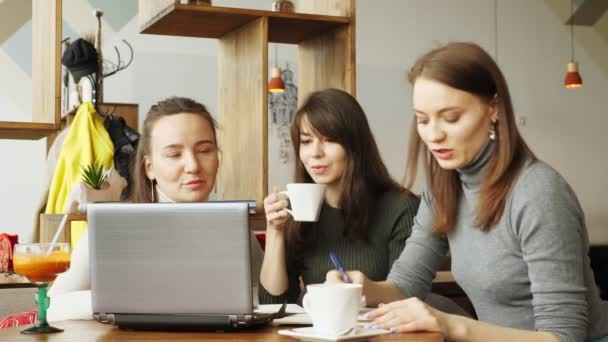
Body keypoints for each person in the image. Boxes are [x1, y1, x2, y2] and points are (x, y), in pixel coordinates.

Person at [326, 43, 608, 342]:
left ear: (494, 109)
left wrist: (450, 325)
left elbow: (565, 336)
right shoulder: (443, 189)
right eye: (423, 120)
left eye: (451, 118)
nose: (433, 135)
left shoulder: (538, 193)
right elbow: (406, 285)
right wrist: (362, 287)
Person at [47, 97, 263, 320]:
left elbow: (264, 303)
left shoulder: (235, 230)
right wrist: (144, 300)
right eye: (174, 155)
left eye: (204, 150)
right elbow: (53, 306)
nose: (193, 166)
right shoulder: (114, 228)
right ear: (149, 167)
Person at [259, 88, 420, 305]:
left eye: (329, 140)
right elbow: (273, 304)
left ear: (355, 145)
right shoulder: (296, 210)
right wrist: (275, 231)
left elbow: (407, 296)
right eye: (306, 141)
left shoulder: (401, 207)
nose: (315, 152)